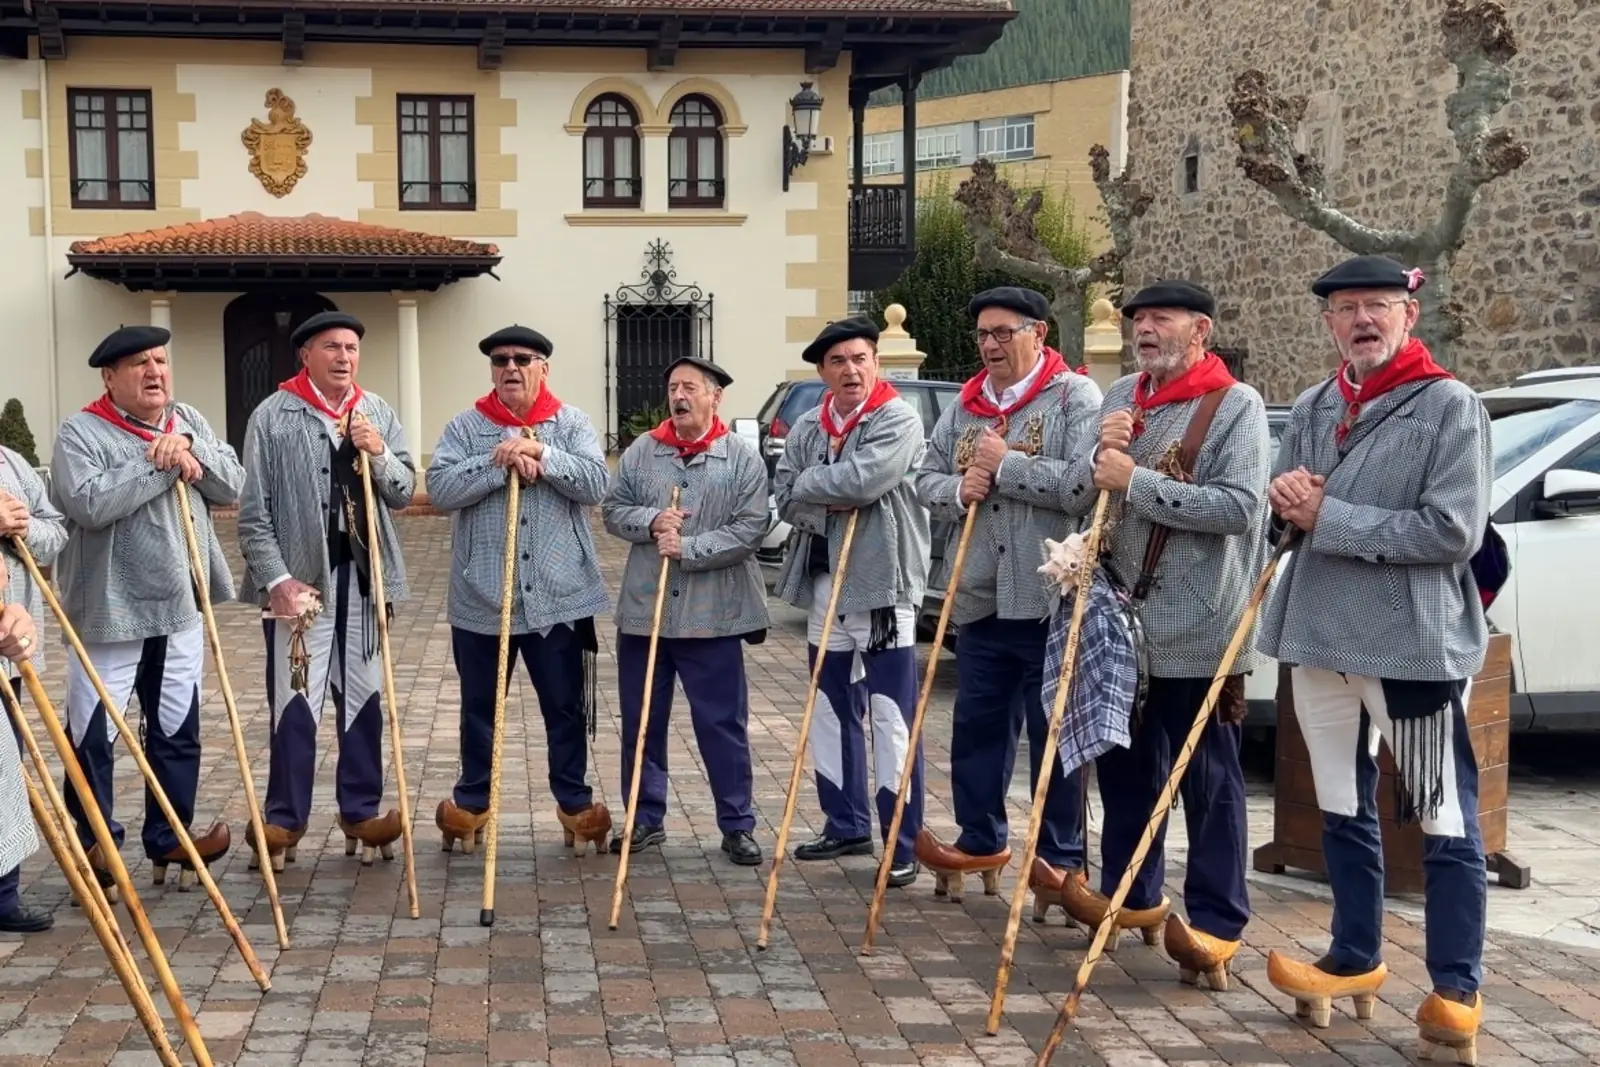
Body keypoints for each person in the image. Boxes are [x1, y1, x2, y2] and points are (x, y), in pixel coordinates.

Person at [1258, 255, 1492, 1061]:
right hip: (1319, 640)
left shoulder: (1450, 405)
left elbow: (1452, 531)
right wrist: (1284, 504)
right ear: (1328, 322)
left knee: (1440, 813)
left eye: (1378, 306)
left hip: (1411, 651)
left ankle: (1457, 984)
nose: (1362, 319)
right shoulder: (1318, 403)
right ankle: (1354, 955)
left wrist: (1330, 514)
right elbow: (1290, 511)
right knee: (1338, 803)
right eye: (1347, 307)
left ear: (1408, 316)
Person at [1058, 280, 1270, 988]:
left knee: (1205, 783)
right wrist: (1099, 466)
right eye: (1137, 319)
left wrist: (1133, 476)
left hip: (1200, 624)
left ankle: (1216, 921)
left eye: (1161, 318)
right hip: (1119, 623)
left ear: (1199, 329)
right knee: (1123, 771)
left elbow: (1238, 508)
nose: (1144, 329)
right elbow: (1093, 493)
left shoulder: (1233, 406)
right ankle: (1130, 894)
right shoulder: (1121, 398)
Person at [913, 286, 1103, 908]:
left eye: (1003, 332)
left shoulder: (1075, 396)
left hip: (1049, 597)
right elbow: (925, 477)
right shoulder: (965, 406)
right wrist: (956, 490)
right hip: (979, 596)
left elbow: (1084, 486)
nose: (991, 345)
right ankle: (980, 837)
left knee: (1053, 733)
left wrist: (1006, 468)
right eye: (983, 335)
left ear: (1038, 334)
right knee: (976, 725)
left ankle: (1059, 857)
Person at [50, 325, 243, 889]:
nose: (155, 371)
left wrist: (190, 450)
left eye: (160, 360)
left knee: (177, 726)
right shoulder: (79, 432)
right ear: (110, 377)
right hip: (111, 607)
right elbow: (90, 504)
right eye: (139, 363)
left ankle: (172, 837)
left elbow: (231, 484)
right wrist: (156, 463)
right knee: (94, 733)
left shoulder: (188, 420)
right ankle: (95, 843)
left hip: (183, 599)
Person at [238, 311, 415, 870]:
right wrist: (279, 582)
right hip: (302, 589)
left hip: (364, 582)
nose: (344, 357)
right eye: (332, 347)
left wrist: (379, 451)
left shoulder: (376, 410)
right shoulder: (273, 415)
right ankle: (284, 820)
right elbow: (252, 516)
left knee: (364, 698)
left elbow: (406, 490)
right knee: (294, 701)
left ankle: (361, 811)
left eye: (352, 347)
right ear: (306, 355)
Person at [428, 325, 613, 854]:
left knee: (564, 705)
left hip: (559, 595)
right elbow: (440, 489)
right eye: (501, 360)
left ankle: (575, 803)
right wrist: (500, 460)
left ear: (543, 368)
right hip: (483, 595)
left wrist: (541, 453)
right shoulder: (467, 426)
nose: (511, 368)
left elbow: (595, 484)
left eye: (523, 359)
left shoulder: (571, 422)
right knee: (480, 707)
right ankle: (472, 801)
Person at [772, 316, 930, 888]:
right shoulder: (810, 426)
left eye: (860, 358)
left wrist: (820, 485)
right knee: (829, 706)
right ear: (822, 372)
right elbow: (785, 495)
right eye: (838, 361)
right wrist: (827, 490)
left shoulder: (898, 418)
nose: (851, 369)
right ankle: (846, 823)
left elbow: (867, 481)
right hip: (823, 583)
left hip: (883, 586)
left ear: (876, 364)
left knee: (890, 715)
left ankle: (901, 840)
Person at [601, 356, 769, 865]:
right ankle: (644, 817)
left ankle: (737, 823)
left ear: (715, 396)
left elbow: (750, 528)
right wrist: (653, 521)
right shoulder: (642, 452)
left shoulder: (740, 458)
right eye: (673, 386)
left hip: (713, 615)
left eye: (690, 388)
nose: (679, 396)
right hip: (644, 610)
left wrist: (689, 548)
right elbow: (612, 510)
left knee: (721, 723)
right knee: (642, 720)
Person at [0, 449, 65, 931]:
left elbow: (55, 531)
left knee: (8, 766)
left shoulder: (12, 463)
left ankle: (4, 891)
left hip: (13, 646)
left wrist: (24, 530)